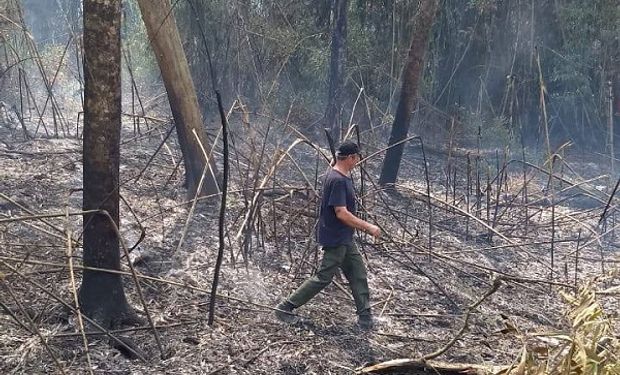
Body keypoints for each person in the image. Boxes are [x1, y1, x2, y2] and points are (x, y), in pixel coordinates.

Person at [274, 141, 381, 329]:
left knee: (357, 272)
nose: (357, 162)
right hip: (336, 237)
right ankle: (285, 308)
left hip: (344, 237)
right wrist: (368, 227)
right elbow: (341, 213)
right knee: (324, 276)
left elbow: (335, 166)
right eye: (356, 158)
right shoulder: (338, 180)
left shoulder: (333, 173)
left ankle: (365, 318)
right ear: (350, 158)